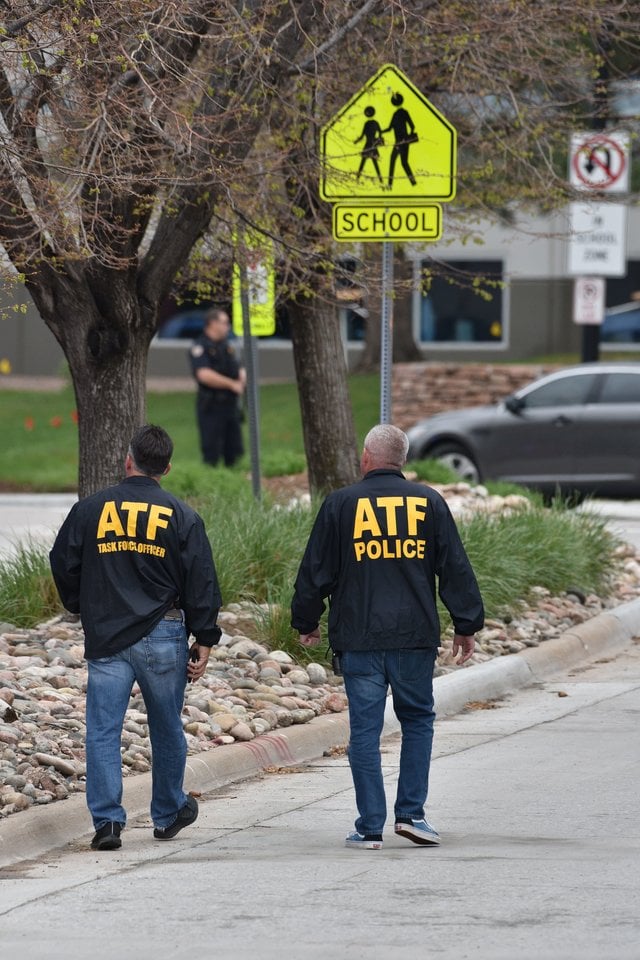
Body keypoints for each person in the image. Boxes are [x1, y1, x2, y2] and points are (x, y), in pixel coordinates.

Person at [291, 424, 484, 850]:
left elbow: (314, 572)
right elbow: (453, 567)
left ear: (365, 458)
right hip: (414, 636)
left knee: (365, 729)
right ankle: (411, 815)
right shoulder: (428, 502)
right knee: (417, 721)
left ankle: (370, 826)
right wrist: (466, 623)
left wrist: (306, 621)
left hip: (358, 638)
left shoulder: (341, 504)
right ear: (403, 461)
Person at [49, 424, 222, 851]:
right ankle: (167, 813)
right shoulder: (182, 515)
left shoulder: (91, 509)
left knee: (103, 730)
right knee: (166, 728)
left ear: (128, 460)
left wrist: (80, 604)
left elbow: (62, 561)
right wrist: (205, 636)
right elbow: (201, 581)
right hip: (164, 634)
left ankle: (107, 823)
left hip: (107, 634)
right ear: (166, 467)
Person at [189, 307, 246, 467]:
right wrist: (231, 384)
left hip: (230, 404)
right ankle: (212, 480)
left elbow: (237, 367)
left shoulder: (227, 346)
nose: (228, 326)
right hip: (211, 405)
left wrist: (241, 375)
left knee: (234, 449)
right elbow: (204, 374)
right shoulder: (200, 346)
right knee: (211, 450)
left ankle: (232, 476)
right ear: (213, 324)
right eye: (225, 322)